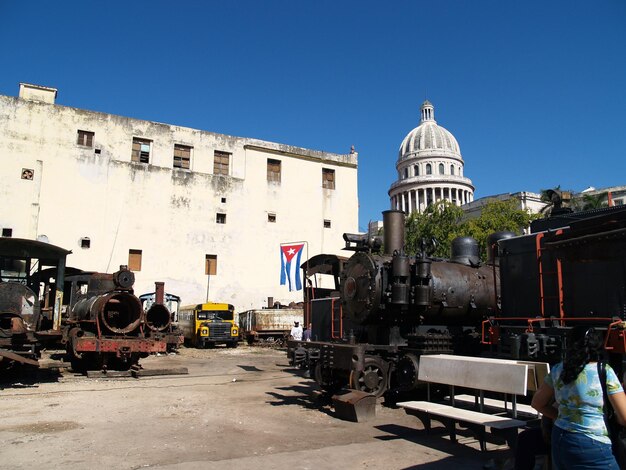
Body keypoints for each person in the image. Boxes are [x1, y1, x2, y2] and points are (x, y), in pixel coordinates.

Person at [532, 326, 626, 469]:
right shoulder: (605, 371)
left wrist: (561, 417)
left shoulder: (558, 369)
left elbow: (537, 403)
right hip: (594, 443)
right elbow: (624, 417)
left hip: (561, 438)